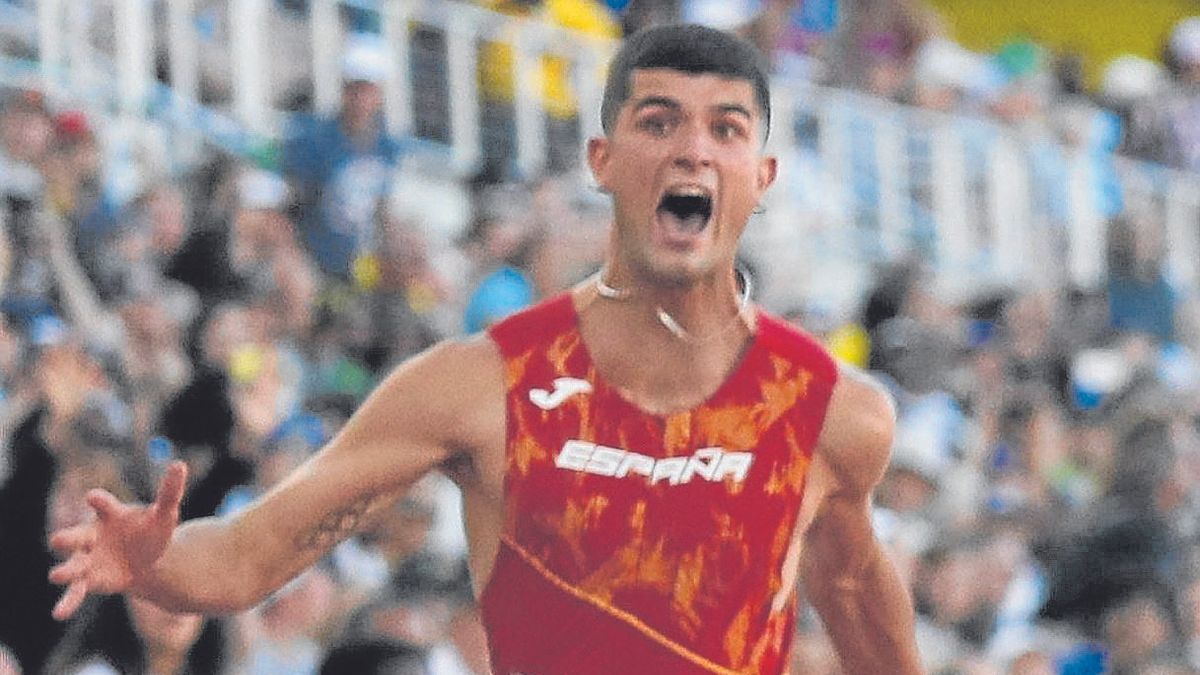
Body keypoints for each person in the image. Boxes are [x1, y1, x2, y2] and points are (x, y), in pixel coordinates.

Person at [48, 24, 921, 674]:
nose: (692, 149)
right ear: (603, 159)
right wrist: (154, 560)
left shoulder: (836, 411)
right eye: (659, 122)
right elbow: (247, 555)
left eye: (727, 129)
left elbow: (852, 593)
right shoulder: (478, 386)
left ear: (761, 178)